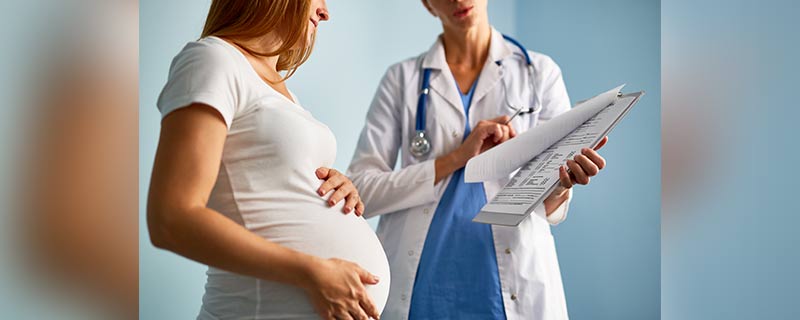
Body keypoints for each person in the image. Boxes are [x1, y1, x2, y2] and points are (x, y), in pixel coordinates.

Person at [346, 0, 609, 318]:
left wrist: (562, 185)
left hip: (509, 285)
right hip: (421, 288)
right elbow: (360, 192)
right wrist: (457, 157)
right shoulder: (401, 80)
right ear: (427, 4)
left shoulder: (539, 73)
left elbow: (550, 203)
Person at [146, 0, 390, 319]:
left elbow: (269, 183)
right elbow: (171, 219)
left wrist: (334, 188)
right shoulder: (214, 59)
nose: (325, 12)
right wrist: (311, 272)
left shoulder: (282, 91)